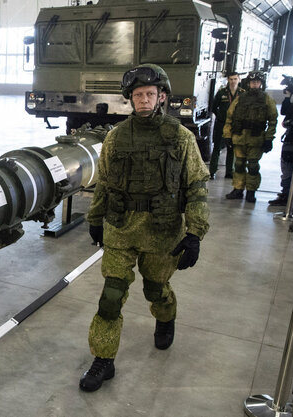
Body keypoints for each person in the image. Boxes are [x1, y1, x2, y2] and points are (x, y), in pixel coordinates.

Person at [81, 64, 210, 392]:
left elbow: (196, 185)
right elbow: (105, 184)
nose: (143, 100)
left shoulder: (180, 136)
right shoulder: (116, 136)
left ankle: (166, 318)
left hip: (162, 231)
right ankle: (104, 360)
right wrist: (95, 219)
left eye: (149, 94)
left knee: (156, 289)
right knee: (111, 296)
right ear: (130, 99)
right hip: (121, 228)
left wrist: (194, 233)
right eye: (137, 95)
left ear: (162, 96)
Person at [223, 71, 278, 203]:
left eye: (257, 82)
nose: (255, 84)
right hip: (240, 137)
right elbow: (229, 117)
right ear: (248, 83)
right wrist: (227, 135)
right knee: (239, 164)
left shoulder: (266, 99)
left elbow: (272, 120)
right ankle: (238, 188)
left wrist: (269, 138)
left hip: (256, 138)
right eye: (253, 82)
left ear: (261, 84)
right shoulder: (240, 98)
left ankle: (251, 191)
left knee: (253, 166)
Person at [210, 73, 243, 180]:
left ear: (239, 79)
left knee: (232, 148)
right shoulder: (221, 93)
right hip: (221, 124)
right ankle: (212, 171)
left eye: (235, 79)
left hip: (235, 125)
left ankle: (229, 172)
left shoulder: (242, 94)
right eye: (231, 79)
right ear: (228, 80)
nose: (233, 81)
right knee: (217, 147)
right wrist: (221, 116)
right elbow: (214, 107)